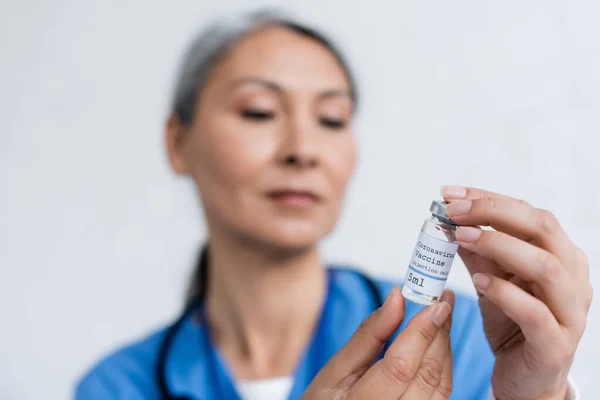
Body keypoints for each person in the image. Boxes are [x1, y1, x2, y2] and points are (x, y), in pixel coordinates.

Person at [74, 8, 591, 400]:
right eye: (259, 112)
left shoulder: (465, 342)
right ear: (178, 142)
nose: (303, 150)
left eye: (331, 119)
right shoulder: (118, 386)